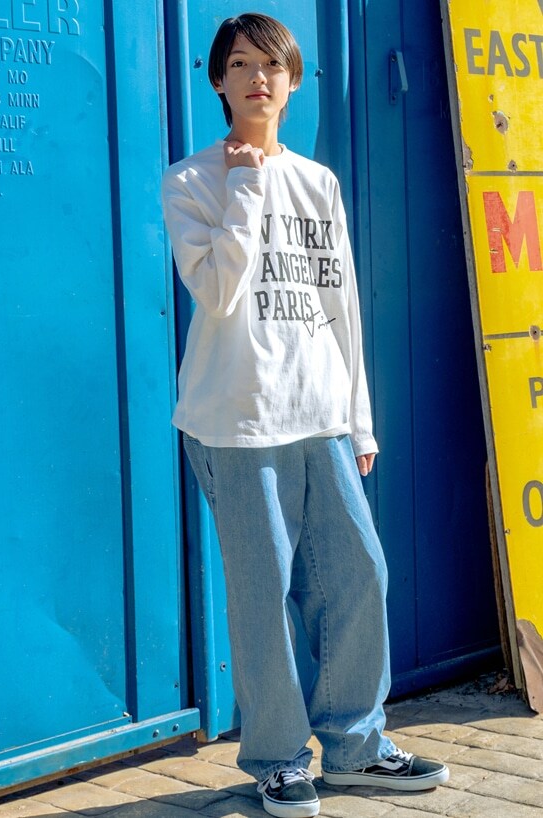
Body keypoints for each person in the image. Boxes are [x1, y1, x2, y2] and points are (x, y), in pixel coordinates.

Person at [162, 12, 449, 818]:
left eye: (272, 65)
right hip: (237, 421)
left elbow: (339, 307)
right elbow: (220, 292)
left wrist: (360, 421)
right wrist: (246, 184)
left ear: (293, 81)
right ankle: (279, 760)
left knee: (360, 574)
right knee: (263, 597)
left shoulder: (320, 182)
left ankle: (355, 748)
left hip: (320, 415)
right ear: (218, 81)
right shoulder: (190, 181)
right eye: (240, 65)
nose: (258, 78)